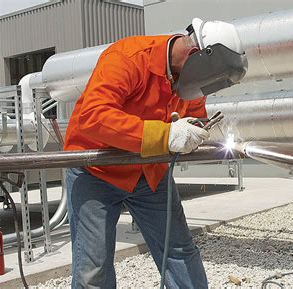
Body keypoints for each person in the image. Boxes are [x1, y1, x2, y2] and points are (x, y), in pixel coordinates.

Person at [64, 18, 245, 289]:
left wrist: (196, 131)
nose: (204, 92)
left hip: (150, 173)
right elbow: (93, 116)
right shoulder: (128, 58)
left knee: (179, 252)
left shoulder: (192, 81)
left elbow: (194, 116)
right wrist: (165, 135)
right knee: (94, 269)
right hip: (97, 172)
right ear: (196, 56)